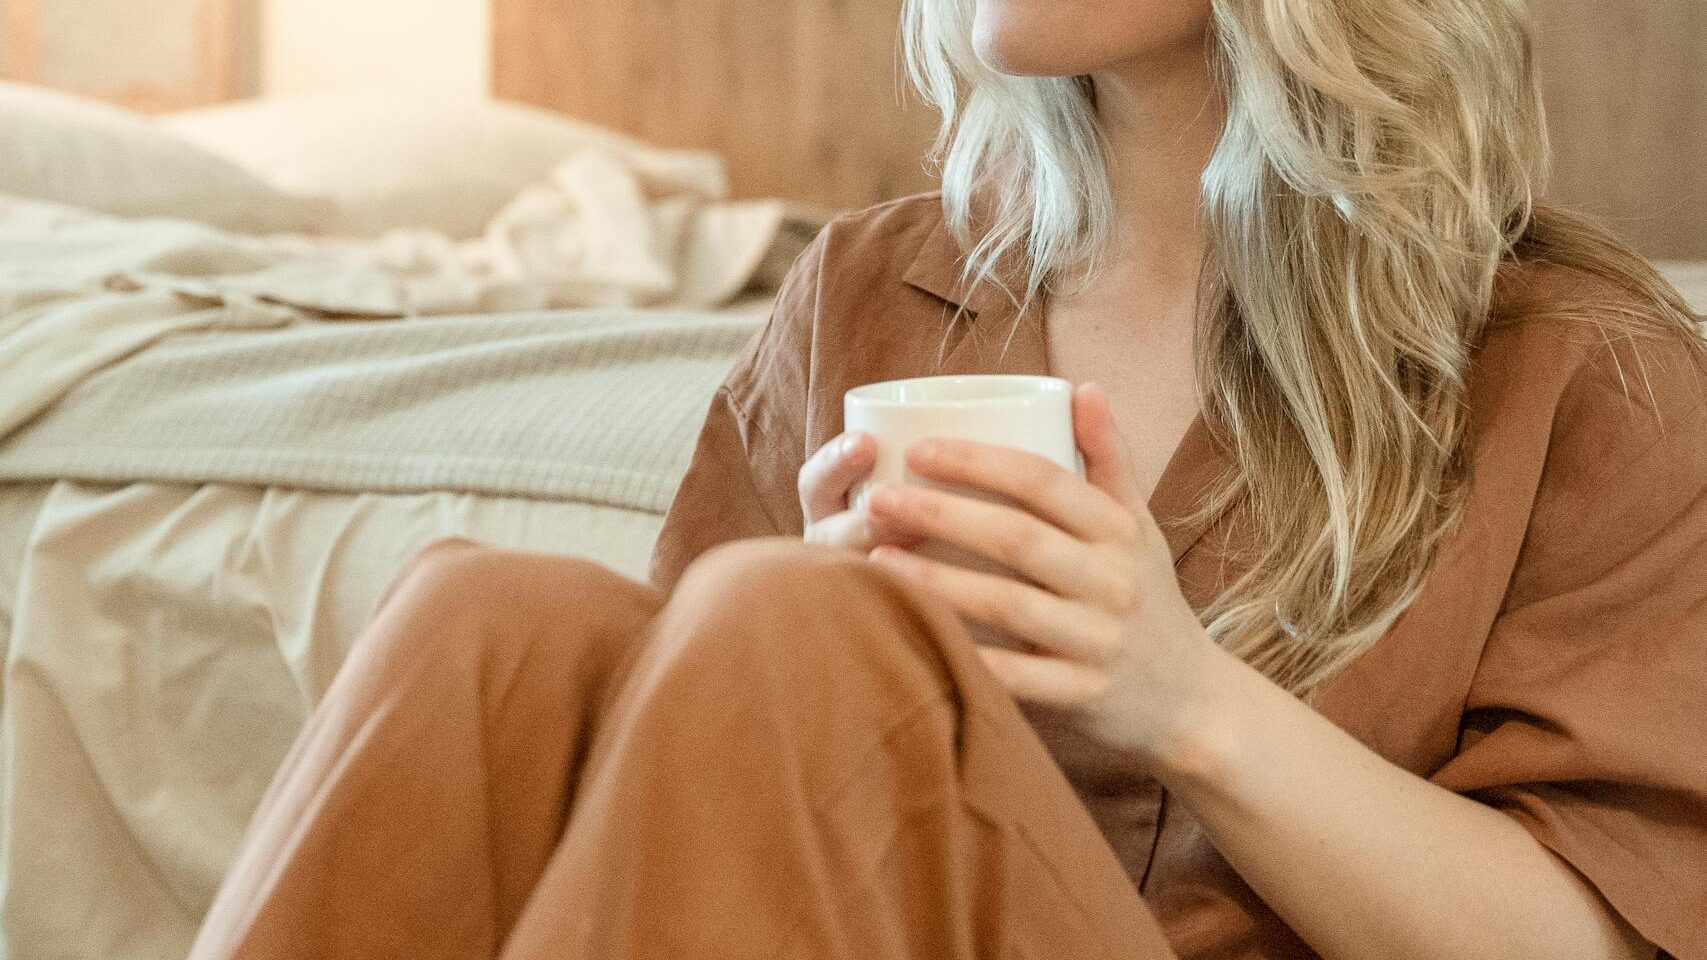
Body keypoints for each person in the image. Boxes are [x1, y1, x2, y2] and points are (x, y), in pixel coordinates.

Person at [190, 0, 1707, 957]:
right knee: (493, 623)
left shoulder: (1580, 366)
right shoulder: (868, 288)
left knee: (793, 628)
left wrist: (1180, 698)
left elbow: (1597, 939)